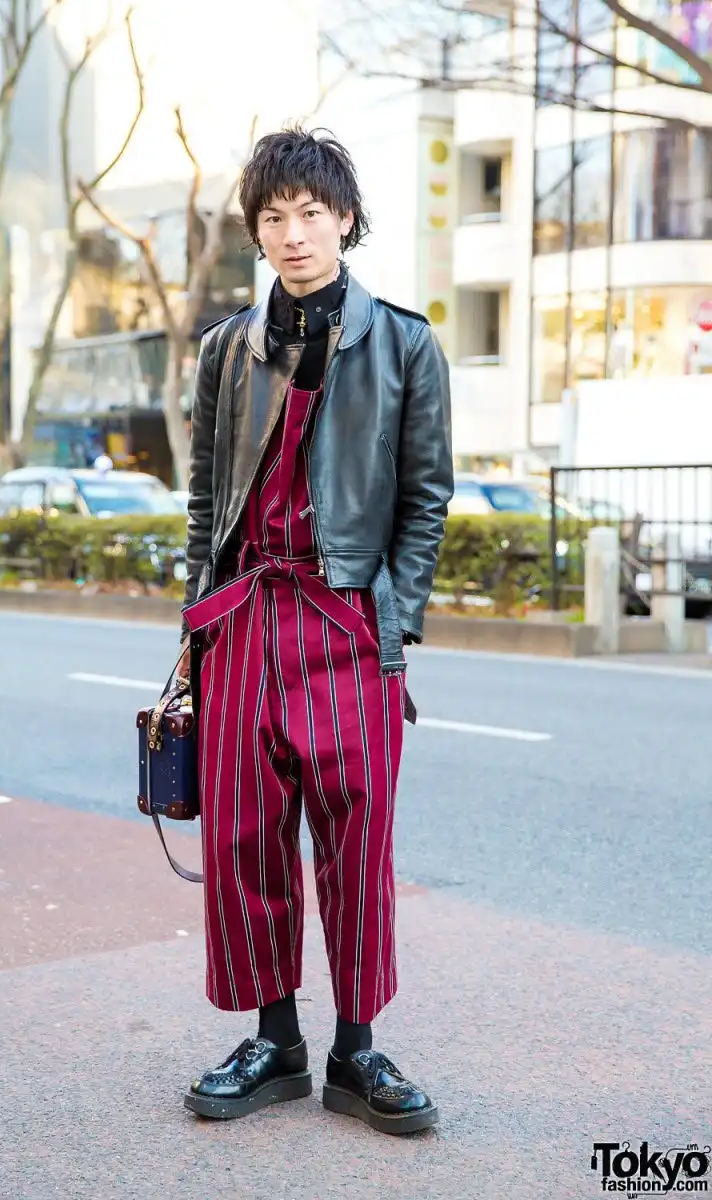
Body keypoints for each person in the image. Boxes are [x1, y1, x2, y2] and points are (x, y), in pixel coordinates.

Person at [176, 126, 453, 1135]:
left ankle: (357, 1048)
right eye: (272, 217)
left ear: (345, 219)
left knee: (357, 843)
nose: (292, 233)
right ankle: (275, 1041)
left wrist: (395, 623)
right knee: (245, 841)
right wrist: (195, 628)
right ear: (255, 231)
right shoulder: (226, 349)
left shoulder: (407, 344)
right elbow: (204, 501)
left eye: (310, 212)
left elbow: (425, 499)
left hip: (350, 624)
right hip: (246, 620)